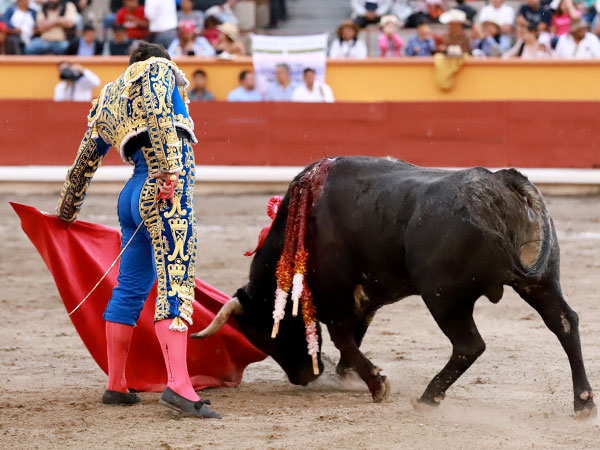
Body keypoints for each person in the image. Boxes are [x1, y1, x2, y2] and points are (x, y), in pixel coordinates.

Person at [56, 41, 222, 419]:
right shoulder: (155, 71)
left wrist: (67, 210)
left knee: (130, 287)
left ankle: (117, 384)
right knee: (175, 281)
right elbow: (161, 110)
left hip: (131, 196)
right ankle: (179, 386)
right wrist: (167, 170)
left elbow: (84, 161)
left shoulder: (107, 99)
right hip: (163, 192)